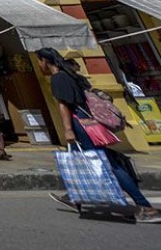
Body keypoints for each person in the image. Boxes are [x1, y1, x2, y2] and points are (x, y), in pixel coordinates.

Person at [35, 48, 161, 223]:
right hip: (90, 123)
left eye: (39, 61)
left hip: (80, 125)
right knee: (88, 161)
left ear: (45, 61)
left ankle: (144, 206)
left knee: (108, 164)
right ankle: (74, 198)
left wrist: (68, 130)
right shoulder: (71, 75)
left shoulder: (58, 78)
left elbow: (64, 105)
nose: (39, 65)